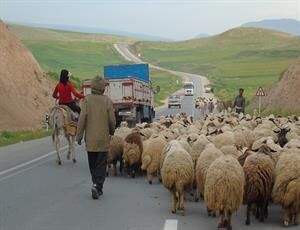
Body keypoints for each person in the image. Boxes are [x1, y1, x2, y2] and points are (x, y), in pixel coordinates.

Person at [76, 76, 116, 199]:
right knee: (101, 164)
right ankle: (98, 185)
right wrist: (112, 131)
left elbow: (82, 119)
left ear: (92, 86)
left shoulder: (87, 101)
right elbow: (111, 120)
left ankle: (95, 183)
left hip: (91, 139)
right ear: (103, 88)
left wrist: (79, 135)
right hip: (103, 138)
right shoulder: (107, 101)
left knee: (92, 163)